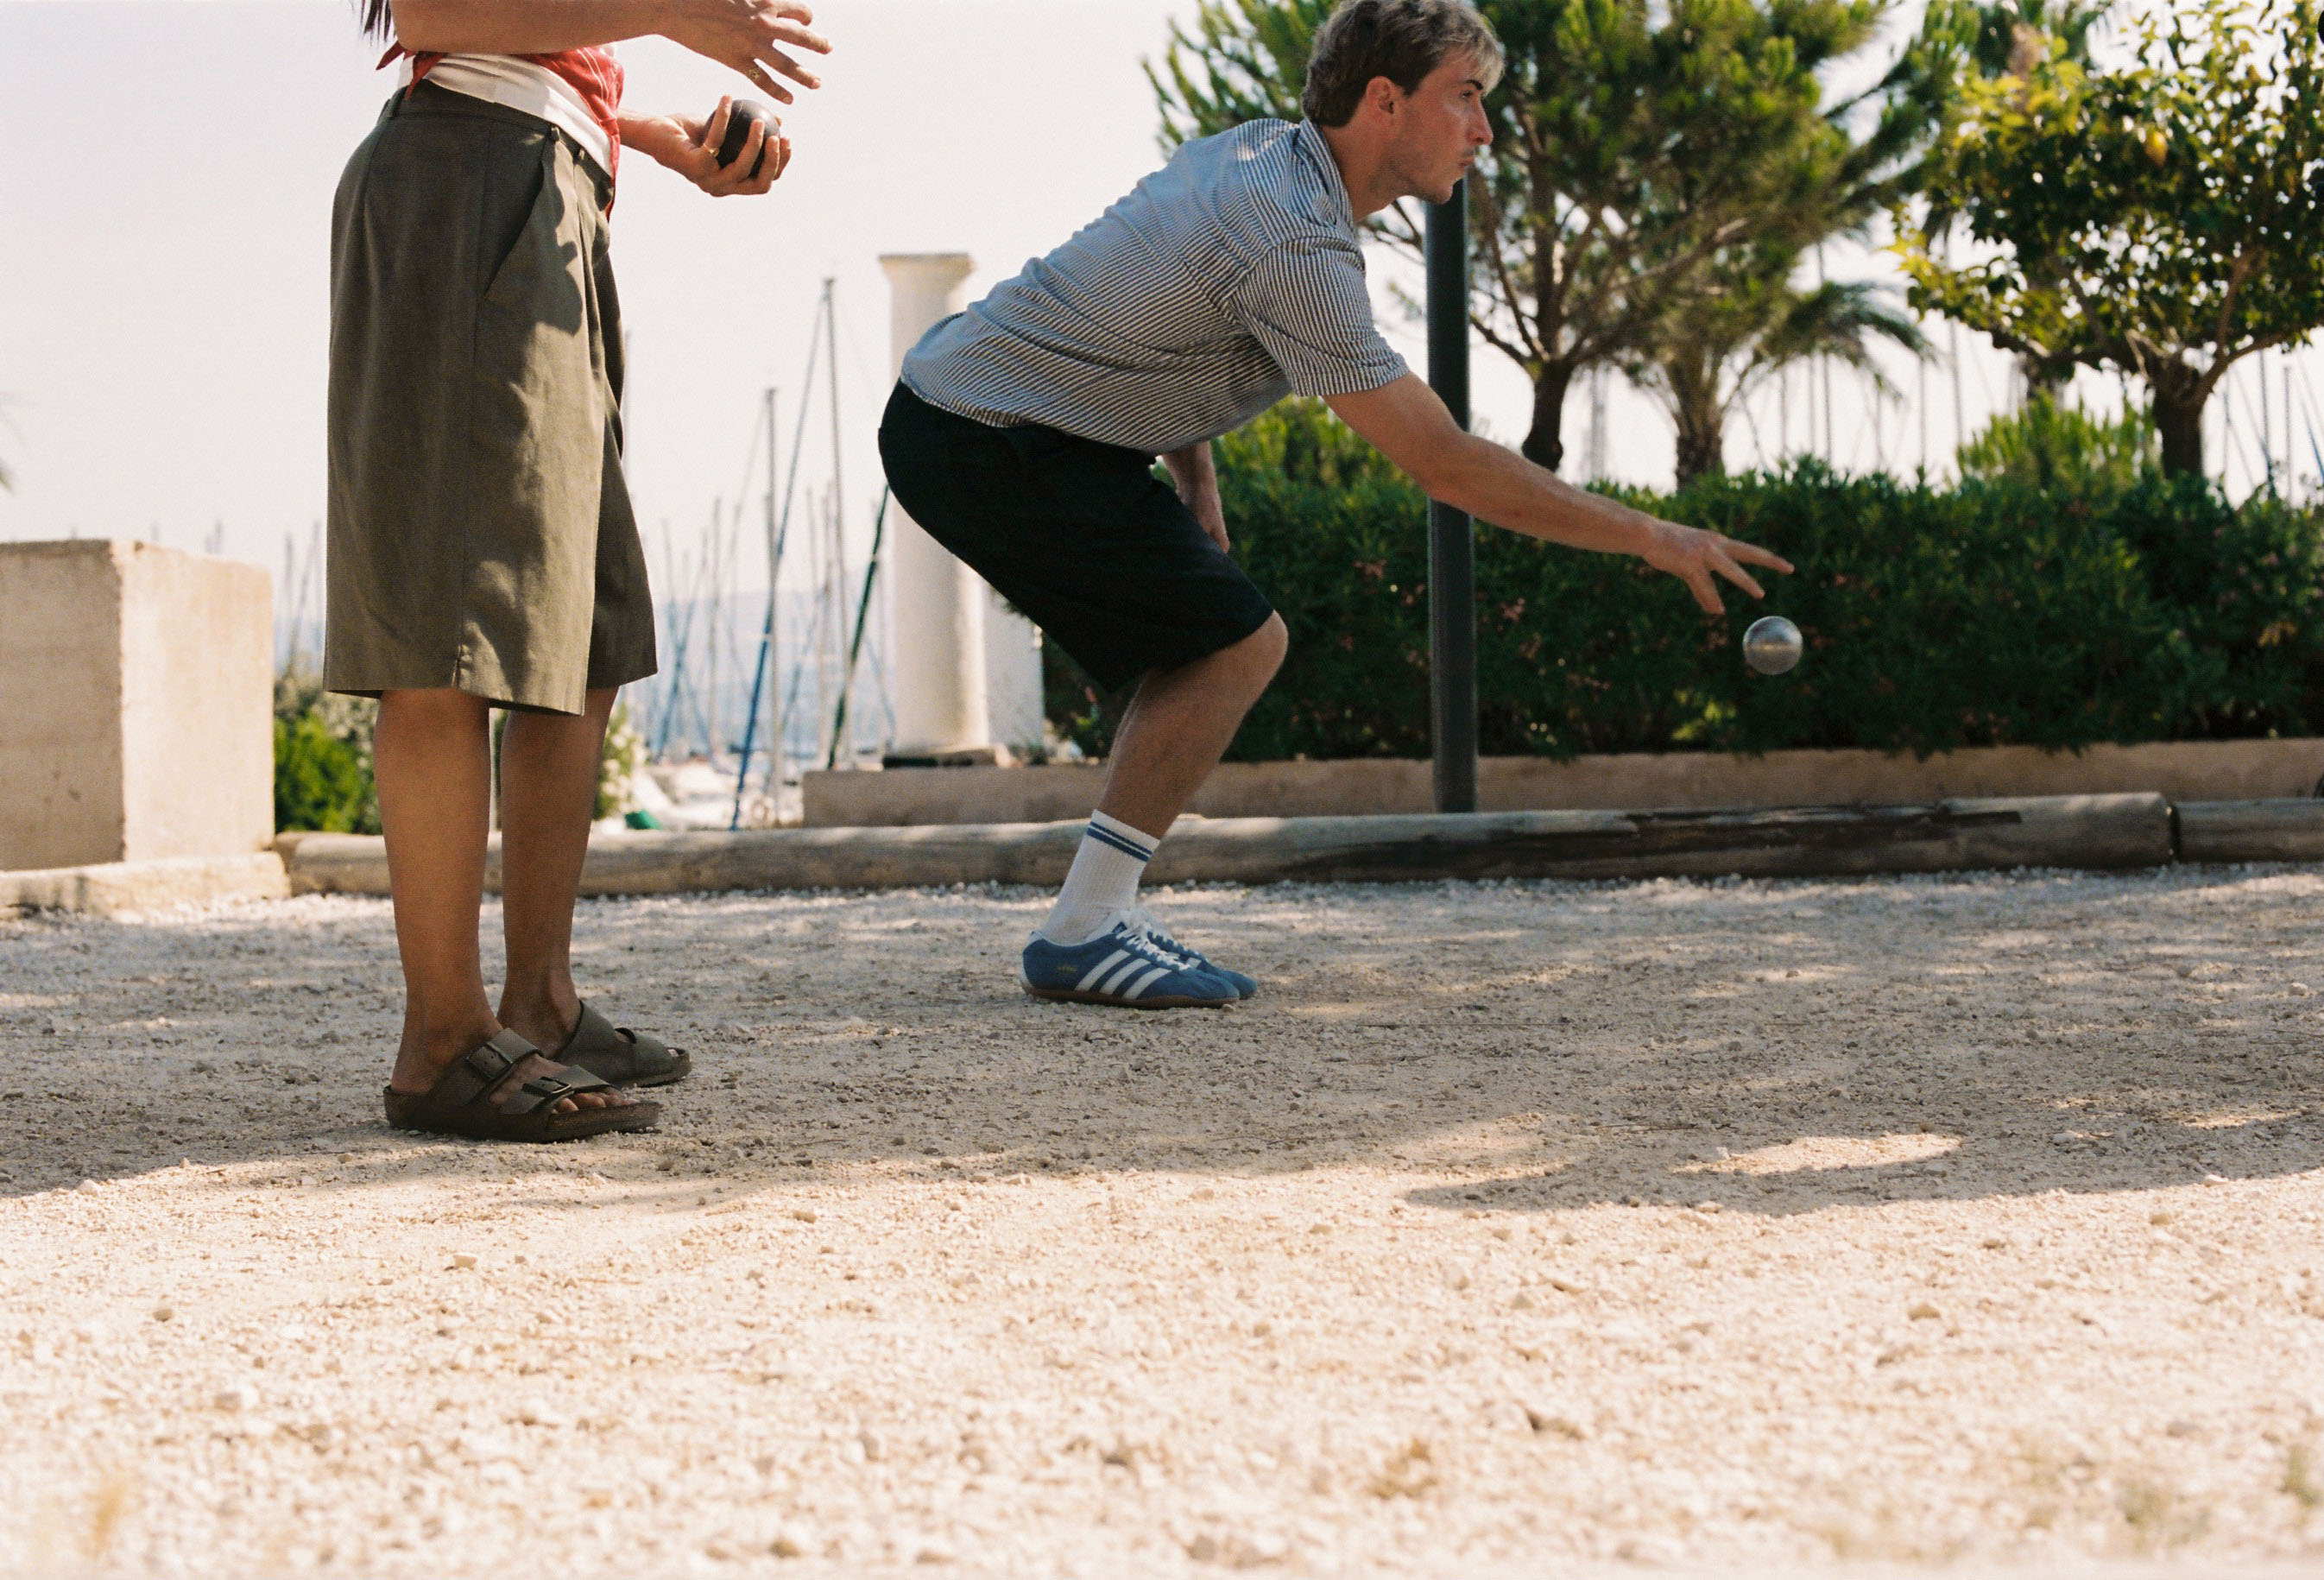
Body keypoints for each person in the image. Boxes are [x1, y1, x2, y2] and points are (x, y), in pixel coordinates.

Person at [878, 0, 1791, 1011]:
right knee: (1236, 644)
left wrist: (1196, 481)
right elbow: (1445, 464)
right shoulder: (1294, 243)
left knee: (1204, 639)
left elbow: (1157, 321)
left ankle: (1097, 913)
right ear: (1385, 101)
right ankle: (1084, 928)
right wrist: (1650, 535)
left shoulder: (1259, 160)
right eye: (1467, 99)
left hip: (996, 419)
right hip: (983, 435)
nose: (1484, 132)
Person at [328, 0, 829, 1139]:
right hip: (469, 182)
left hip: (548, 188)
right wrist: (673, 12)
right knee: (450, 634)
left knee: (579, 637)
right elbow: (434, 13)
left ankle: (539, 1005)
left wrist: (643, 135)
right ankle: (442, 1041)